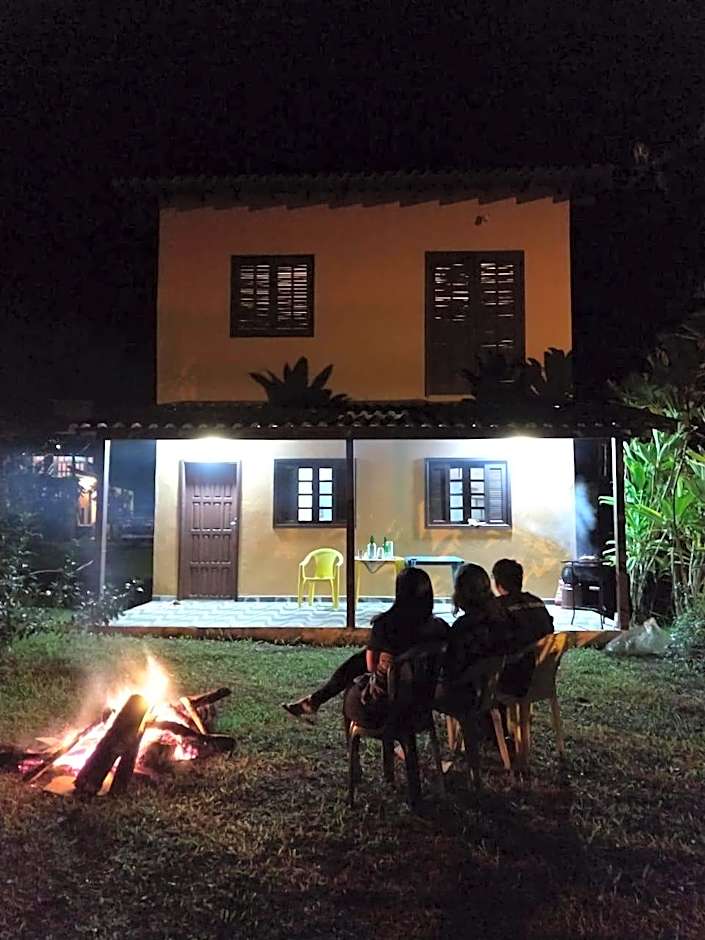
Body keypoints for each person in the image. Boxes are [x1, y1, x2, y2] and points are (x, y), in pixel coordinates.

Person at [282, 567, 448, 721]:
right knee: (362, 658)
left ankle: (315, 701)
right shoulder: (439, 627)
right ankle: (314, 700)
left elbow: (371, 666)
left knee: (361, 662)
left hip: (388, 702)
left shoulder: (385, 624)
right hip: (423, 701)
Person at [491, 558, 554, 697]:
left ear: (497, 583)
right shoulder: (537, 602)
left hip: (513, 680)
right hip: (542, 675)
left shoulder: (497, 607)